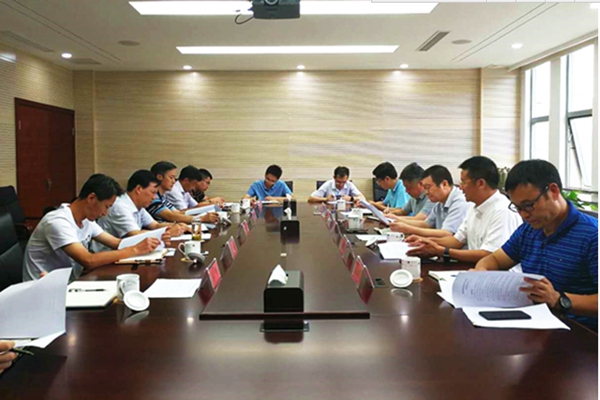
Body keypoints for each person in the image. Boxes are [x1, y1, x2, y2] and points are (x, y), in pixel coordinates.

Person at [473, 160, 598, 331]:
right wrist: (481, 272)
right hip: (535, 325)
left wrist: (558, 299)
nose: (524, 215)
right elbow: (494, 259)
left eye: (528, 205)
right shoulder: (528, 230)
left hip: (580, 333)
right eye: (518, 208)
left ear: (553, 191)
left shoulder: (592, 236)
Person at [23, 174, 162, 282]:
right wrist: (135, 249)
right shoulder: (58, 221)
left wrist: (156, 238)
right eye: (106, 206)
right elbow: (88, 260)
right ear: (91, 198)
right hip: (43, 290)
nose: (105, 213)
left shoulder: (86, 220)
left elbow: (117, 243)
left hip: (70, 282)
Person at [406, 156, 522, 263]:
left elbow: (490, 255)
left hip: (497, 275)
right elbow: (457, 241)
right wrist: (423, 241)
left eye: (463, 182)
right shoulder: (473, 207)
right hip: (476, 269)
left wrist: (443, 251)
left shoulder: (502, 211)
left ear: (480, 183)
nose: (460, 187)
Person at [93, 170, 186, 252]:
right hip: (107, 256)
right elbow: (135, 234)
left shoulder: (138, 205)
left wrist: (177, 226)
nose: (154, 197)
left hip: (124, 252)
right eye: (152, 192)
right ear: (139, 189)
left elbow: (155, 225)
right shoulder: (119, 206)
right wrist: (167, 233)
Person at [390, 165, 469, 238]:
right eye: (425, 188)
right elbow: (426, 224)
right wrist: (397, 221)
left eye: (428, 187)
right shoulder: (440, 201)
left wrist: (409, 229)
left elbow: (447, 233)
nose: (426, 192)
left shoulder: (460, 202)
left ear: (444, 184)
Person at [147, 162, 219, 224]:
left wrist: (206, 211)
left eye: (174, 178)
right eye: (171, 178)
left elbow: (178, 212)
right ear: (159, 177)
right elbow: (170, 216)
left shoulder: (162, 197)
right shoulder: (153, 197)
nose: (174, 181)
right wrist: (201, 218)